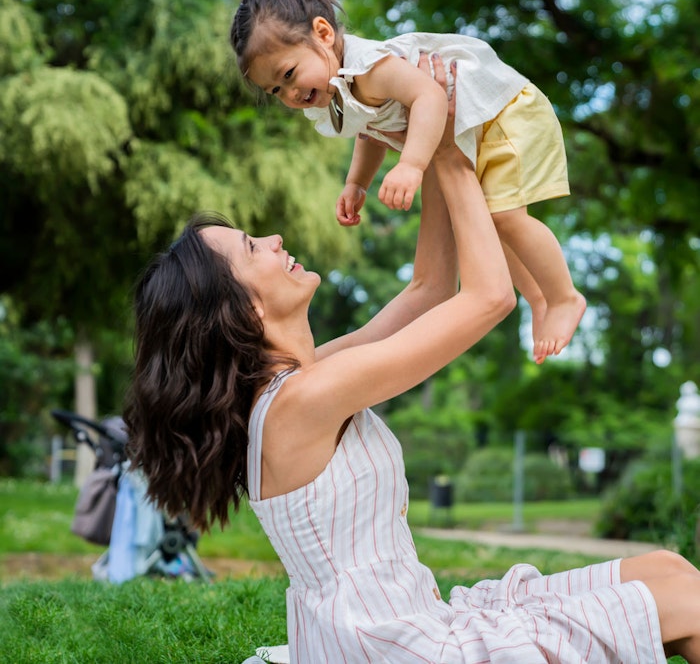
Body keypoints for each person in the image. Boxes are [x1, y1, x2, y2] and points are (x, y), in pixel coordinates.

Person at [125, 54, 700, 663]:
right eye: (250, 248)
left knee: (667, 567)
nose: (272, 240)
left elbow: (429, 289)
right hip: (401, 648)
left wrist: (422, 141)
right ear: (243, 311)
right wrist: (451, 152)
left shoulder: (308, 380)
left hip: (406, 624)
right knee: (687, 604)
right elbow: (489, 298)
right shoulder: (303, 401)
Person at [230, 0, 586, 365]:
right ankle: (538, 300)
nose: (291, 92)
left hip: (503, 113)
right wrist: (357, 183)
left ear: (324, 34)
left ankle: (564, 297)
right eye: (276, 90)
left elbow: (430, 97)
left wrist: (413, 165)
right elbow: (370, 130)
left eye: (289, 74)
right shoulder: (344, 86)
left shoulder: (371, 67)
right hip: (477, 130)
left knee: (506, 218)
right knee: (492, 223)